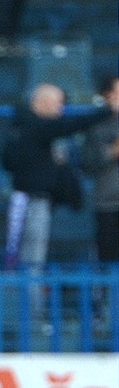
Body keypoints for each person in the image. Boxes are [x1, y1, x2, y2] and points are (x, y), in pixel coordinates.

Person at [3, 82, 112, 271]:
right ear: (43, 102)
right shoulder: (33, 125)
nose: (61, 109)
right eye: (58, 103)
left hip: (40, 199)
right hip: (30, 199)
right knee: (29, 255)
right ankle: (28, 290)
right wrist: (107, 111)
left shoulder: (27, 126)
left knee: (33, 252)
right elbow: (70, 125)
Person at [82, 75, 119, 264]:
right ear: (107, 96)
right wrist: (111, 152)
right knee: (108, 257)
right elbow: (87, 162)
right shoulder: (96, 123)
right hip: (108, 201)